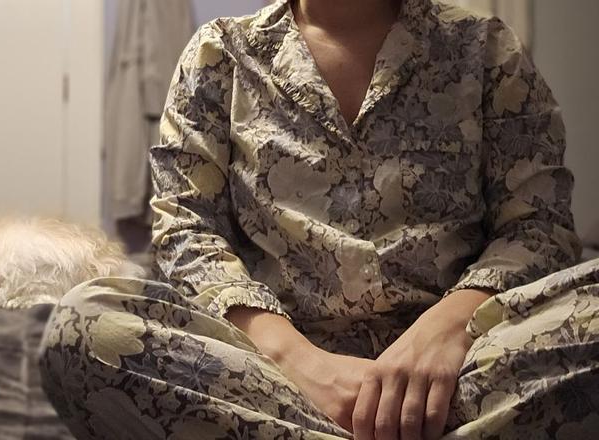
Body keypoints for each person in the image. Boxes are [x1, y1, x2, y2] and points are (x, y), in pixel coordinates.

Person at [39, 0, 599, 438]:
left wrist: (446, 333)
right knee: (84, 326)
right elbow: (186, 229)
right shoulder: (220, 54)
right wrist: (298, 363)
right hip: (272, 378)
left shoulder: (486, 49)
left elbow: (538, 225)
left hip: (460, 370)